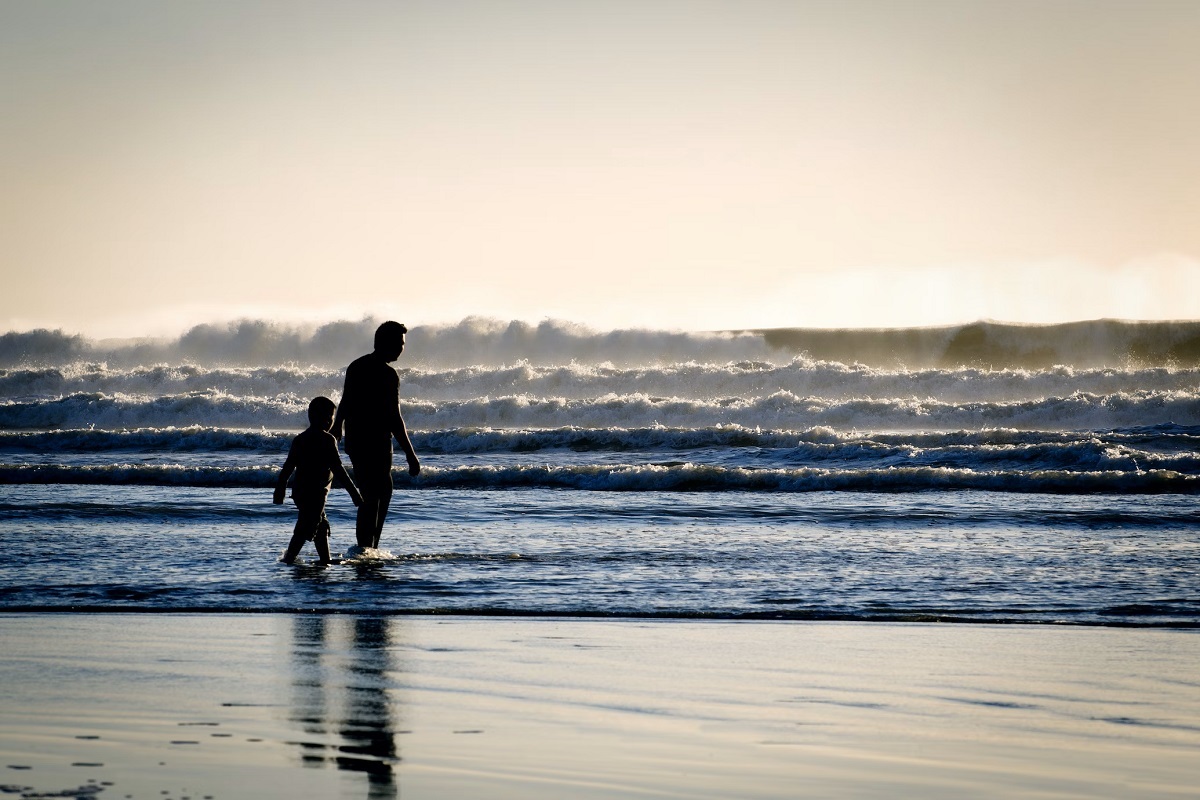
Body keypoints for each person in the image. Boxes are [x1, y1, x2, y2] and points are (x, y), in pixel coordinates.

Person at [331, 321, 421, 550]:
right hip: (376, 442)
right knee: (374, 496)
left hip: (356, 441)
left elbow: (345, 401)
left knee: (380, 491)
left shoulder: (356, 366)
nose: (402, 349)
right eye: (399, 344)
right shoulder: (388, 375)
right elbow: (394, 417)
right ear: (385, 342)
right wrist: (411, 455)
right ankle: (366, 548)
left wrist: (337, 427)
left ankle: (370, 546)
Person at [274, 396, 363, 564]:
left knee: (320, 526)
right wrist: (354, 494)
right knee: (306, 527)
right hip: (316, 494)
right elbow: (339, 469)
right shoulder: (327, 440)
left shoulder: (300, 439)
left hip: (300, 492)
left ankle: (325, 559)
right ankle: (289, 558)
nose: (331, 422)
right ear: (318, 418)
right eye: (330, 418)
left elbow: (287, 468)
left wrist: (280, 490)